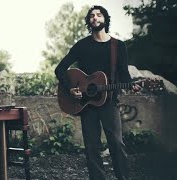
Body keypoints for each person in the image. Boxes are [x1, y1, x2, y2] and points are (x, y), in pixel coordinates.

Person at [55, 5, 140, 180]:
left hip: (109, 102)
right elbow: (60, 69)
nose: (95, 17)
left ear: (105, 19)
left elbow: (124, 73)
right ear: (89, 21)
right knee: (92, 147)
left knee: (116, 143)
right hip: (86, 104)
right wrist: (70, 88)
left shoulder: (118, 46)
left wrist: (131, 84)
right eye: (92, 16)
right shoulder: (82, 45)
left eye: (99, 15)